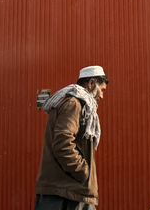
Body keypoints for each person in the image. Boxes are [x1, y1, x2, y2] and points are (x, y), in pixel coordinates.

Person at [35, 66, 109, 210]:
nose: (101, 96)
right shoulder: (73, 104)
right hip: (69, 194)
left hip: (65, 191)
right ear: (92, 83)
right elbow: (63, 143)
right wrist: (83, 172)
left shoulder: (73, 103)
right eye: (102, 90)